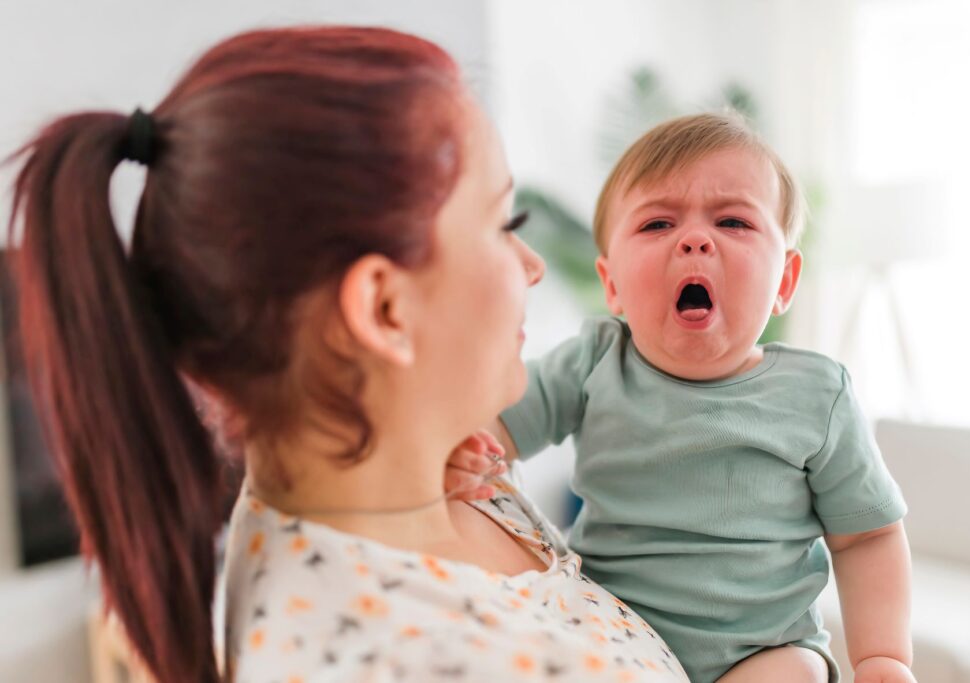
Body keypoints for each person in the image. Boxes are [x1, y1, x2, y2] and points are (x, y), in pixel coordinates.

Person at [8, 26, 689, 683]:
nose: (533, 265)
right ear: (383, 309)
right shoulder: (384, 657)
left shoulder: (419, 476)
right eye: (503, 223)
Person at [482, 113, 915, 683]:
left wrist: (884, 658)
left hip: (764, 650)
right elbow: (497, 424)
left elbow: (867, 537)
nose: (694, 239)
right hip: (612, 632)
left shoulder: (817, 396)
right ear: (611, 284)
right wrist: (470, 449)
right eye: (658, 223)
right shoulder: (592, 362)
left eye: (733, 221)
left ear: (784, 282)